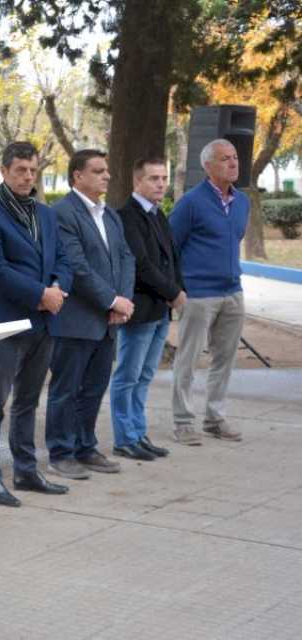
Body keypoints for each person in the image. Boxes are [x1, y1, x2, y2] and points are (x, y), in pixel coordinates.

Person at [0, 141, 73, 508]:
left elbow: (62, 258)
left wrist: (59, 288)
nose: (28, 177)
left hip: (45, 322)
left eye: (33, 170)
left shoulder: (45, 214)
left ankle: (26, 470)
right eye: (21, 170)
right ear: (4, 171)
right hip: (8, 322)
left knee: (29, 401)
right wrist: (39, 293)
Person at [45, 150, 135, 480]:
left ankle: (85, 446)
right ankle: (60, 452)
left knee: (94, 388)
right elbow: (77, 268)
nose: (106, 176)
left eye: (107, 170)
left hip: (107, 320)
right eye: (98, 171)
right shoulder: (62, 213)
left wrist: (121, 300)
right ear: (77, 177)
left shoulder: (109, 214)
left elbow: (126, 257)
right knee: (66, 390)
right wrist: (111, 301)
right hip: (76, 319)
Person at [169, 139, 249, 444]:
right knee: (187, 360)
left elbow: (235, 238)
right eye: (225, 158)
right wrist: (176, 291)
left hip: (233, 292)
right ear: (208, 166)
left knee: (224, 360)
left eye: (235, 157)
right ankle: (183, 422)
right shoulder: (190, 202)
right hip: (198, 294)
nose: (233, 163)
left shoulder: (242, 202)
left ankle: (215, 419)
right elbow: (170, 246)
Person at [110, 157, 186, 460]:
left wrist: (179, 290)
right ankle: (124, 437)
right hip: (140, 309)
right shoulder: (127, 216)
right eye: (154, 178)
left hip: (160, 310)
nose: (161, 184)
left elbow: (171, 257)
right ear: (137, 182)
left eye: (164, 178)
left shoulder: (157, 214)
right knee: (127, 375)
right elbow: (141, 265)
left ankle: (138, 433)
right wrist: (173, 292)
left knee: (144, 376)